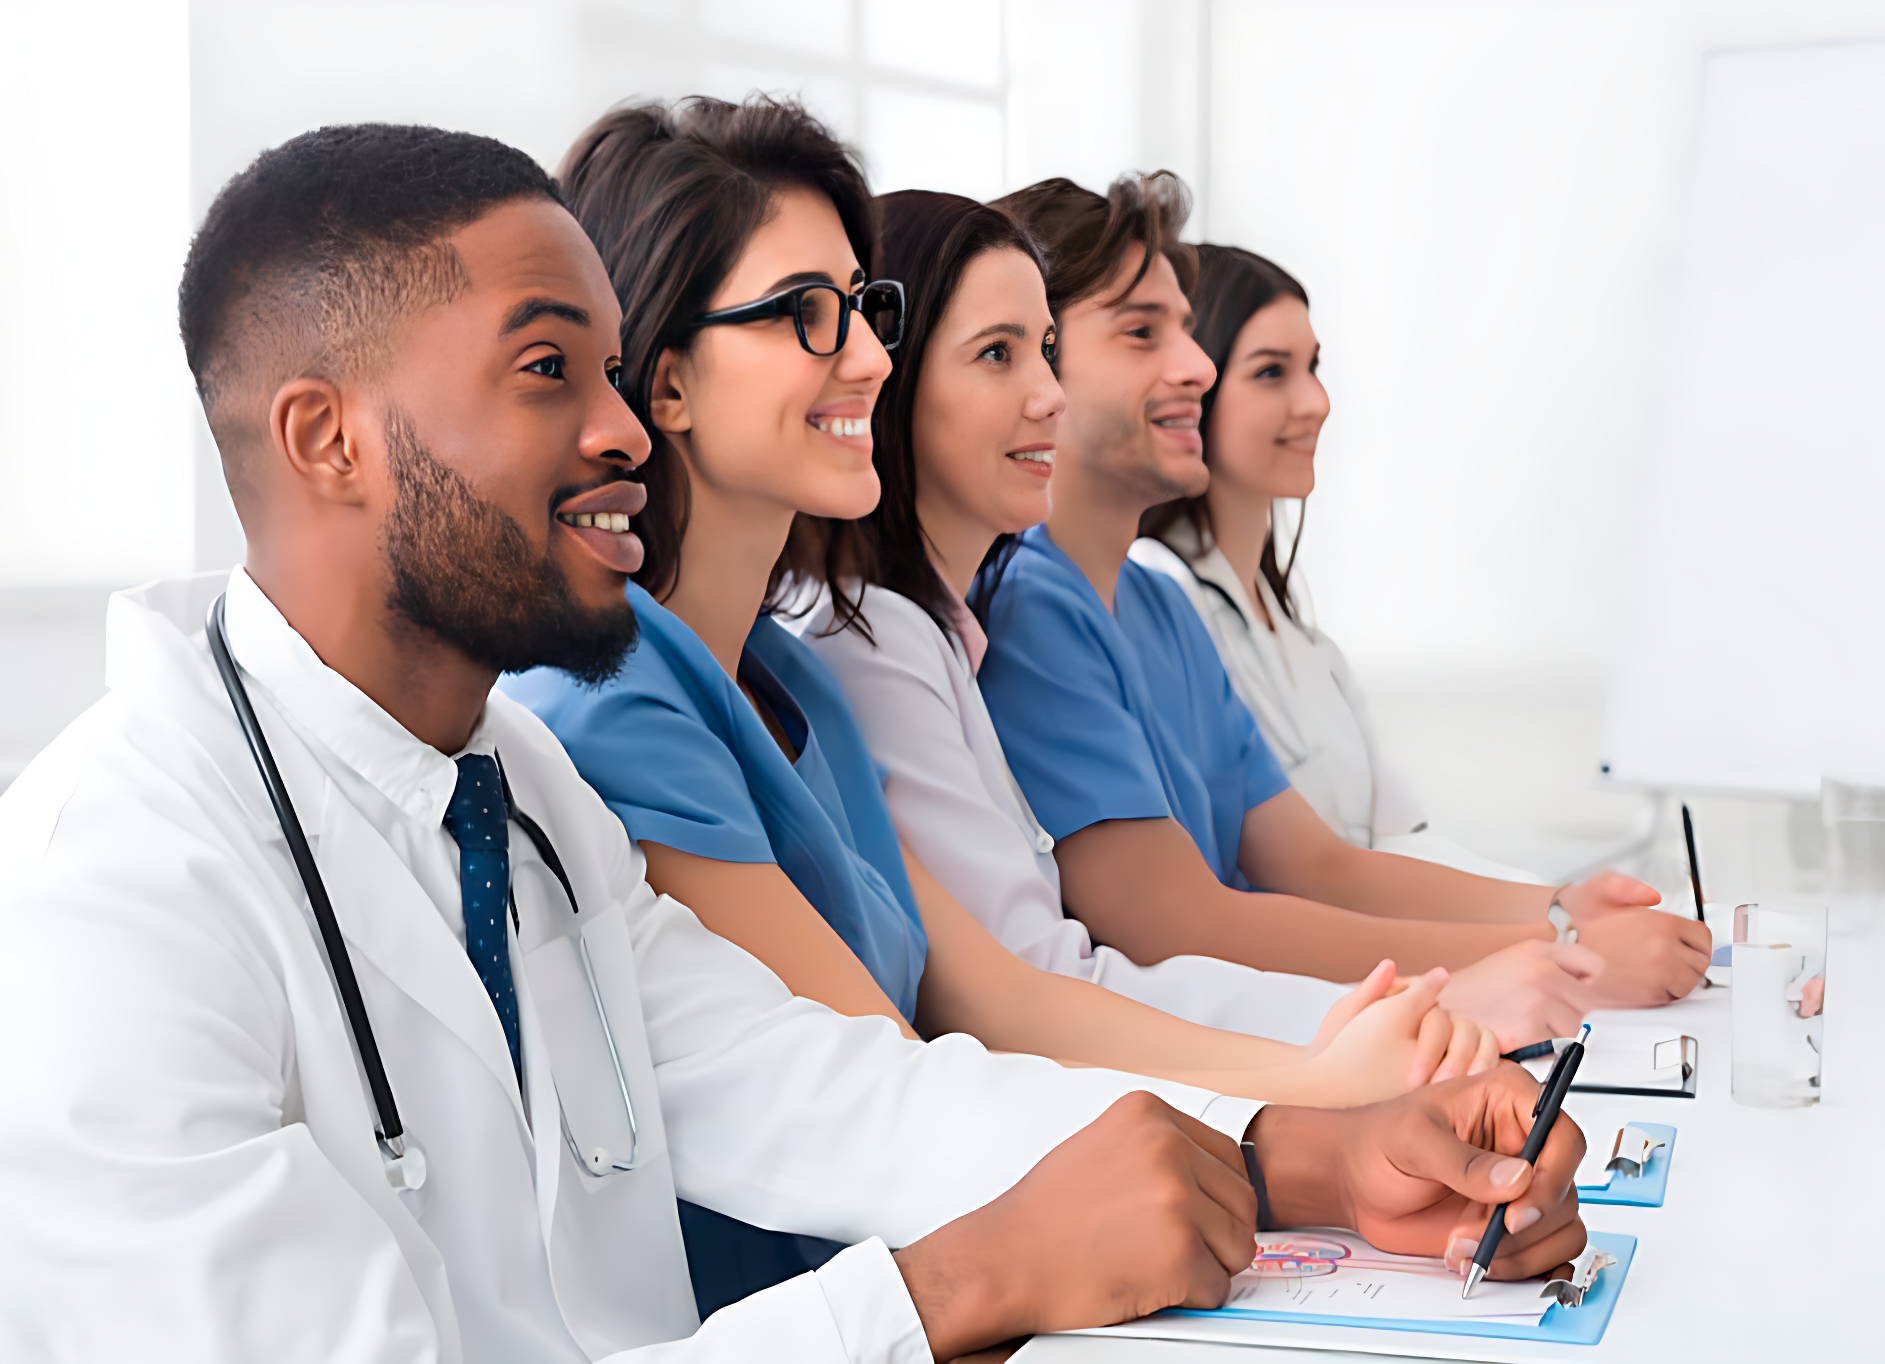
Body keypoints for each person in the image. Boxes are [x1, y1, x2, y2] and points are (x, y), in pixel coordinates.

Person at [0, 123, 1589, 1362]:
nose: (625, 428)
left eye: (616, 370)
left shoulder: (520, 789)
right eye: (552, 371)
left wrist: (1316, 1158)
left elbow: (815, 1085)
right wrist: (958, 1281)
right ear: (326, 437)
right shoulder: (115, 894)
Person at [503, 101, 1498, 1310]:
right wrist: (1302, 1112)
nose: (869, 357)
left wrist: (1320, 1075)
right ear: (665, 384)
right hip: (848, 1302)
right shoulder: (613, 702)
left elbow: (997, 991)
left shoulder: (788, 675)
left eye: (866, 311)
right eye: (805, 317)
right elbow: (887, 1085)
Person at [978, 173, 1714, 1046]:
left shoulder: (1155, 609)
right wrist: (1557, 944)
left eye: (1185, 329)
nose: (1196, 368)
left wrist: (1555, 913)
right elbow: (1179, 925)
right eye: (1144, 332)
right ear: (1036, 362)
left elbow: (1317, 861)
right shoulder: (1032, 609)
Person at [801, 189, 1366, 1044]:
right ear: (891, 377)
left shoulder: (946, 631)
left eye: (1049, 352)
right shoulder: (884, 643)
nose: (1049, 394)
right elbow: (1037, 990)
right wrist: (1360, 1032)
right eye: (998, 353)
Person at [1131, 245, 1532, 882]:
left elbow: (1403, 840)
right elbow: (1297, 877)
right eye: (1271, 372)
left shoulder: (1311, 647)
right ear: (1191, 387)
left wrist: (1562, 907)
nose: (1316, 401)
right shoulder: (1154, 595)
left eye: (1312, 367)